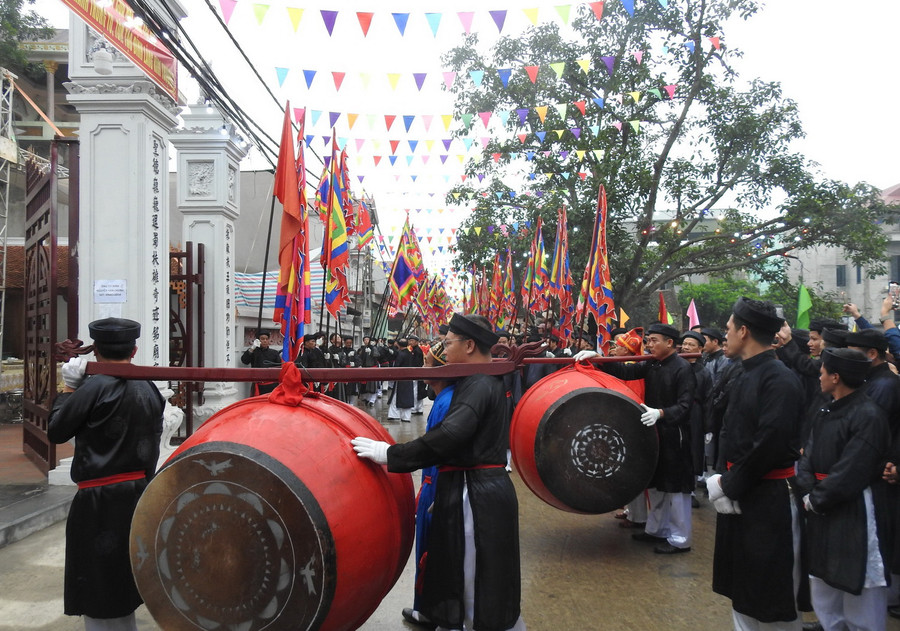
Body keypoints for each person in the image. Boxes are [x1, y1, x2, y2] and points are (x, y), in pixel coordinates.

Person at [352, 313, 525, 631]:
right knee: (460, 576)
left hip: (477, 496)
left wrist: (391, 454)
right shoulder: (477, 381)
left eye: (448, 344)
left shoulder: (479, 384)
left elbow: (448, 437)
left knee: (474, 583)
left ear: (470, 345)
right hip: (469, 487)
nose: (443, 350)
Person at [48, 318, 165, 631]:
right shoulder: (149, 386)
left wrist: (68, 389)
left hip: (99, 503)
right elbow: (152, 446)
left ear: (95, 350)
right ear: (135, 349)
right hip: (137, 494)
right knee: (124, 584)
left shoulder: (94, 387)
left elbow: (57, 430)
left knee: (100, 590)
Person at [707, 297, 805, 630]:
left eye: (729, 328)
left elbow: (770, 444)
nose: (726, 335)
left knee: (770, 594)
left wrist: (727, 485)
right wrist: (724, 477)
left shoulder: (780, 379)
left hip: (770, 499)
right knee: (744, 588)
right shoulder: (742, 372)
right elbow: (730, 431)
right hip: (743, 493)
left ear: (744, 331)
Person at [578, 323, 696, 553]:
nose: (649, 345)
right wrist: (598, 358)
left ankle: (680, 539)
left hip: (675, 434)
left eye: (653, 340)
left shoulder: (682, 368)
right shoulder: (653, 364)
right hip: (655, 431)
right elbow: (625, 372)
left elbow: (685, 406)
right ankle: (657, 530)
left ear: (669, 343)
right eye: (648, 340)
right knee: (656, 485)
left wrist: (661, 413)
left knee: (675, 489)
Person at [796, 348, 891, 631]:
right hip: (820, 503)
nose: (820, 375)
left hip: (856, 507)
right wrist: (808, 490)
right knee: (823, 580)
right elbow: (807, 457)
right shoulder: (826, 409)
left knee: (859, 579)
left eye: (823, 371)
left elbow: (853, 469)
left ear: (836, 377)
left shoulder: (868, 414)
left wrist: (816, 498)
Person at [402, 340, 456, 630]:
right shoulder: (443, 398)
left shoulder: (446, 401)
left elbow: (439, 449)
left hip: (438, 483)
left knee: (430, 547)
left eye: (426, 363)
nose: (423, 368)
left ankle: (428, 611)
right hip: (433, 480)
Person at [681, 331, 712, 497]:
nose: (686, 347)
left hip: (695, 415)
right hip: (677, 412)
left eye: (691, 344)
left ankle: (690, 488)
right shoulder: (677, 366)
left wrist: (707, 426)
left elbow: (708, 399)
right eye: (685, 343)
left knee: (693, 449)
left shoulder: (703, 372)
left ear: (700, 348)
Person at [240, 330, 282, 395]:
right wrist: (252, 348)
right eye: (262, 339)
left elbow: (279, 368)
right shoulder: (253, 352)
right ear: (258, 340)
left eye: (266, 339)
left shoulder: (274, 353)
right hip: (258, 385)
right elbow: (244, 361)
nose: (265, 341)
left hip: (272, 385)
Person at [390, 338, 416, 422]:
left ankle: (394, 415)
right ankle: (406, 417)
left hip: (400, 378)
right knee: (407, 397)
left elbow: (396, 366)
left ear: (398, 345)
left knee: (396, 397)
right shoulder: (410, 353)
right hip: (409, 377)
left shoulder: (400, 354)